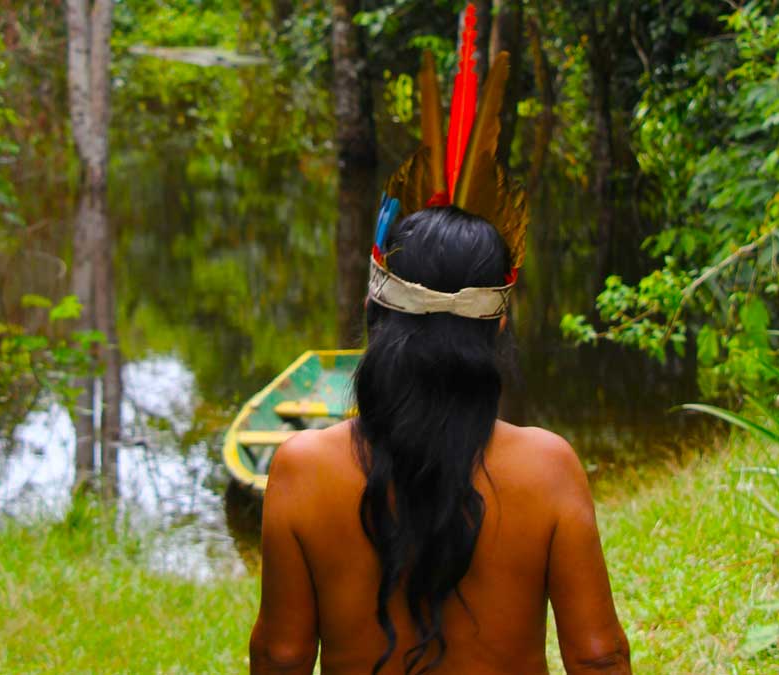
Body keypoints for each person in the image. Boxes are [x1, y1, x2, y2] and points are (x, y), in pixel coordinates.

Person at [250, 6, 629, 672]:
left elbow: (281, 656)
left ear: (375, 308)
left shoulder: (300, 470)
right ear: (499, 323)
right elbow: (598, 655)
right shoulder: (548, 467)